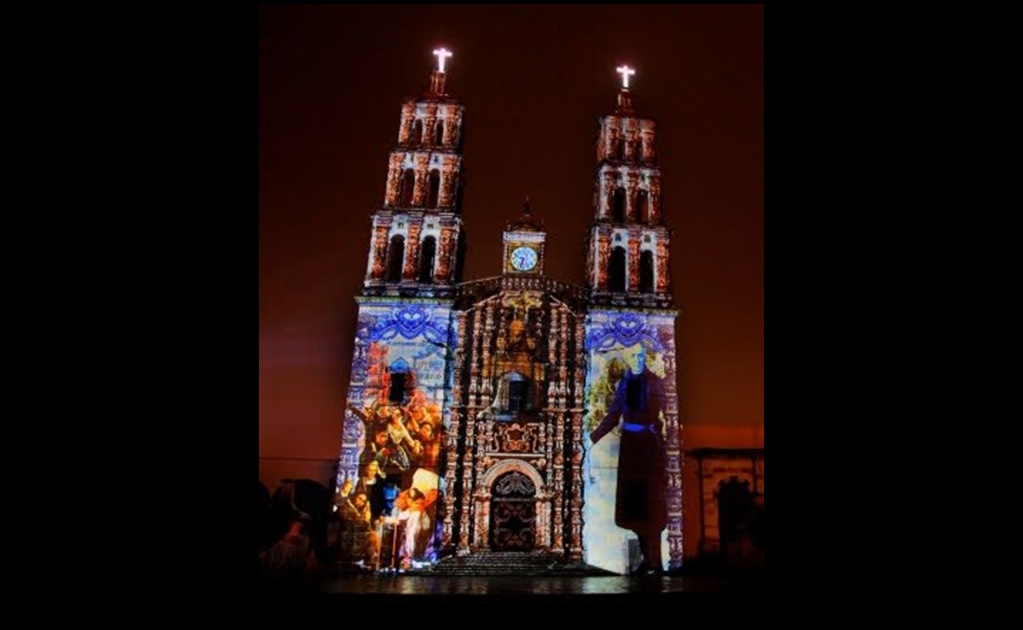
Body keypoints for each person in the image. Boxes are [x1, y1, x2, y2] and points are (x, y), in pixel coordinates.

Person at [590, 344, 666, 574]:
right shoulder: (624, 383)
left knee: (650, 501)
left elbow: (666, 411)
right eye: (633, 356)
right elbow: (613, 415)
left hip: (648, 445)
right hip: (629, 446)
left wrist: (661, 431)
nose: (637, 360)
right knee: (633, 503)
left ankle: (655, 560)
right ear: (628, 358)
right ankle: (647, 558)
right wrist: (592, 438)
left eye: (641, 356)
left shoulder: (656, 382)